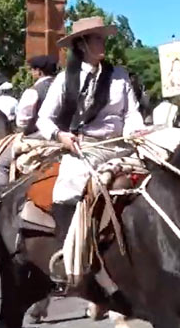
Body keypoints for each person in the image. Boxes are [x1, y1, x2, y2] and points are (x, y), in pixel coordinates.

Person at [35, 17, 145, 279]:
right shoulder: (64, 80)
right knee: (66, 187)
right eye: (97, 38)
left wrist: (136, 131)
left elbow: (131, 113)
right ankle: (67, 255)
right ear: (82, 44)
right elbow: (43, 119)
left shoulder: (119, 74)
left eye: (103, 37)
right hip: (86, 148)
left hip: (123, 145)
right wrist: (61, 136)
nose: (103, 42)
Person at [15, 55, 58, 136]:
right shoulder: (62, 87)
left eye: (32, 70)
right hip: (64, 134)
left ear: (39, 71)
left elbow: (22, 121)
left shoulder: (33, 91)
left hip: (38, 135)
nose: (31, 73)